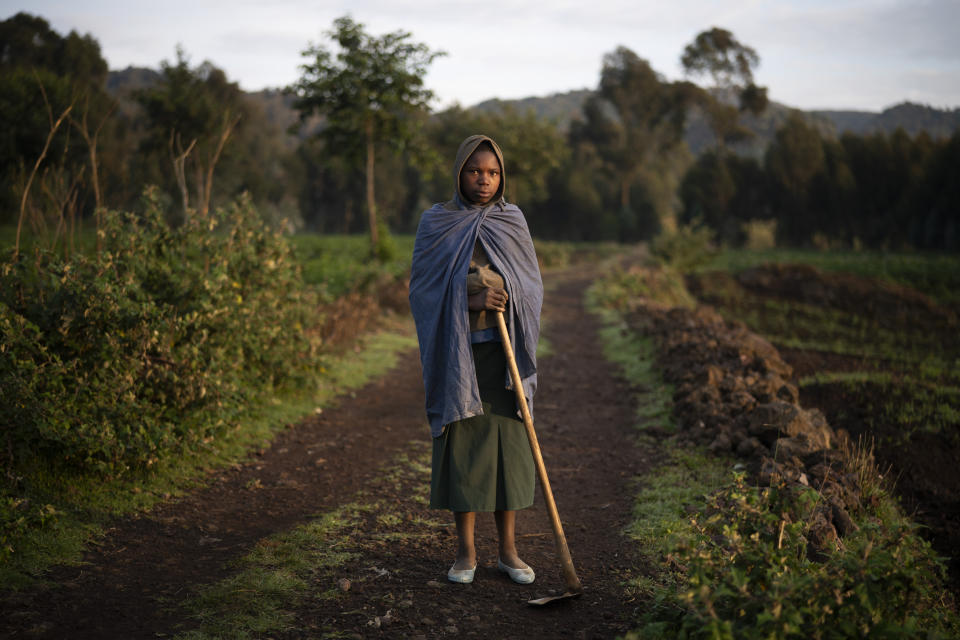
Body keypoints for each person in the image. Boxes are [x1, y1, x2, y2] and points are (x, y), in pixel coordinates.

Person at [409, 135, 543, 585]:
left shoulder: (512, 220)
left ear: (502, 176)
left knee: (509, 445)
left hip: (504, 359)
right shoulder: (437, 221)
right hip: (459, 354)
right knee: (463, 444)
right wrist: (467, 300)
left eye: (492, 172)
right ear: (459, 174)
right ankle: (465, 554)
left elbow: (531, 285)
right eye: (474, 171)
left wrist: (508, 295)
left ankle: (508, 551)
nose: (483, 180)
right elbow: (422, 290)